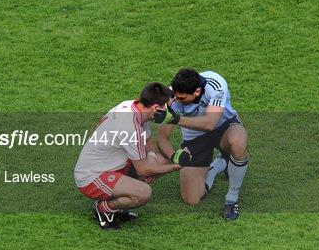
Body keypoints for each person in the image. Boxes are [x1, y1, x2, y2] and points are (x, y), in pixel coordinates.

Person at [74, 82, 182, 230]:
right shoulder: (130, 126)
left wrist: (152, 158)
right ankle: (104, 209)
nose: (170, 112)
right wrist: (176, 167)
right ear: (156, 108)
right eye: (168, 108)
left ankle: (121, 201)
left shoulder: (134, 108)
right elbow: (143, 170)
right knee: (143, 192)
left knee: (158, 161)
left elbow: (148, 140)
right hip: (91, 177)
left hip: (110, 164)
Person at [153, 69, 249, 221]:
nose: (176, 101)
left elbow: (210, 123)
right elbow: (162, 139)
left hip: (224, 127)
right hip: (195, 138)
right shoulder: (171, 98)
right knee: (192, 199)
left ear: (197, 91)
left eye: (182, 98)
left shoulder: (216, 85)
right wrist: (174, 156)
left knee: (238, 141)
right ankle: (216, 166)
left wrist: (176, 119)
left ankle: (232, 199)